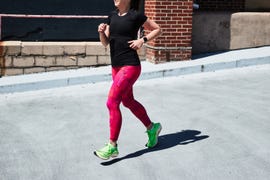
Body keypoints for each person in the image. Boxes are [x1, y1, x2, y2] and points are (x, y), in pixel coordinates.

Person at [94, 0, 162, 160]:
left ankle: (112, 146)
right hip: (116, 66)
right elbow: (105, 43)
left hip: (130, 66)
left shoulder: (135, 16)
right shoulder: (111, 16)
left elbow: (158, 29)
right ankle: (152, 128)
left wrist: (142, 40)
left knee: (112, 103)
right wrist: (101, 32)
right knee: (128, 101)